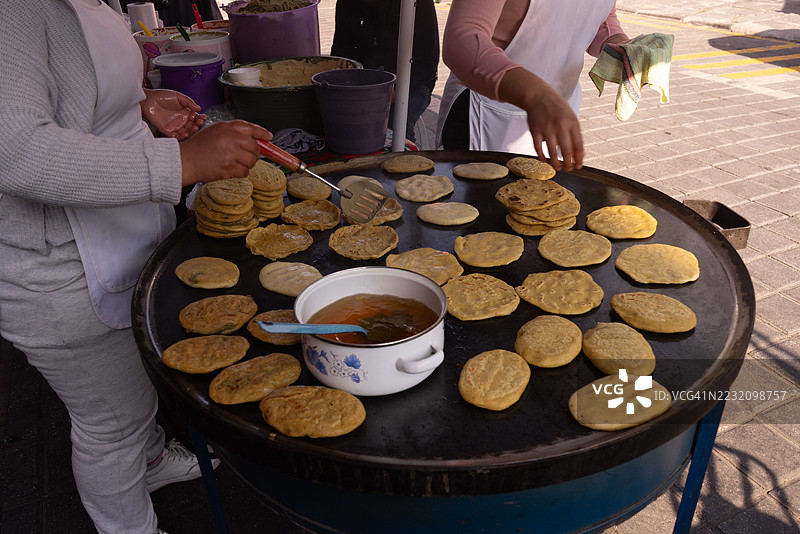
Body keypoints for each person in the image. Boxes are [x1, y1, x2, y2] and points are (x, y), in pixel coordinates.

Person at [0, 2, 272, 533]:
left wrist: (137, 103)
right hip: (58, 270)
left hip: (116, 238)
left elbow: (61, 91)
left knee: (130, 386)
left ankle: (147, 461)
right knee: (109, 423)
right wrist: (185, 161)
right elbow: (16, 150)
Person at [437, 0, 629, 171]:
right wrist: (538, 95)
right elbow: (463, 40)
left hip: (558, 115)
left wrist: (623, 47)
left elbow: (601, 17)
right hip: (487, 110)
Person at [331, 0, 440, 144]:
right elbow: (341, 51)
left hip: (413, 81)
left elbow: (428, 59)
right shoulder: (348, 3)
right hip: (364, 81)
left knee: (395, 124)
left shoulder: (416, 3)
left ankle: (405, 162)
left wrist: (397, 89)